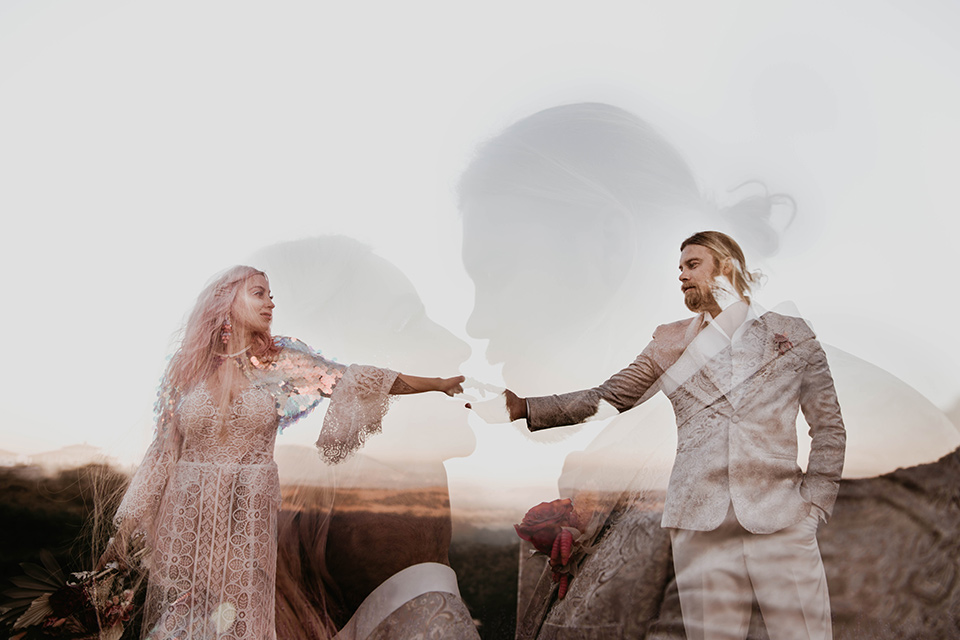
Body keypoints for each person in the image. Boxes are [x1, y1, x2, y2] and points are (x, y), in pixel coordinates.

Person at [499, 231, 846, 640]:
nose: (681, 275)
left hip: (783, 519)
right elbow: (610, 396)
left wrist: (815, 508)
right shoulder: (670, 341)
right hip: (699, 526)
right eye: (679, 268)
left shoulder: (791, 333)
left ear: (727, 266)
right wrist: (524, 408)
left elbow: (827, 426)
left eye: (692, 265)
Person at [99, 265, 464, 640]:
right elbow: (162, 452)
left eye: (272, 295)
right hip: (187, 516)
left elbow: (350, 378)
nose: (270, 303)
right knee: (182, 620)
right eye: (259, 293)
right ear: (226, 300)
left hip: (246, 517)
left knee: (236, 622)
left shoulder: (279, 363)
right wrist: (122, 535)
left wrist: (434, 384)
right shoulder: (187, 367)